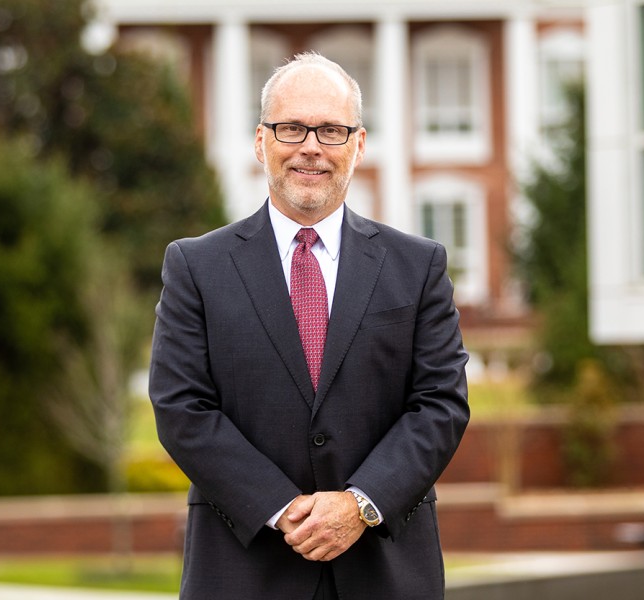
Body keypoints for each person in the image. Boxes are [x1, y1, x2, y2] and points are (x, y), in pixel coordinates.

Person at [148, 51, 470, 600]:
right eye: (292, 127)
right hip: (244, 570)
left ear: (359, 145)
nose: (311, 147)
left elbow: (441, 403)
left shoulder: (418, 267)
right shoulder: (195, 267)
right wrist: (282, 507)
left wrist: (360, 503)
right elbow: (181, 408)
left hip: (385, 571)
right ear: (260, 141)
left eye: (331, 130)